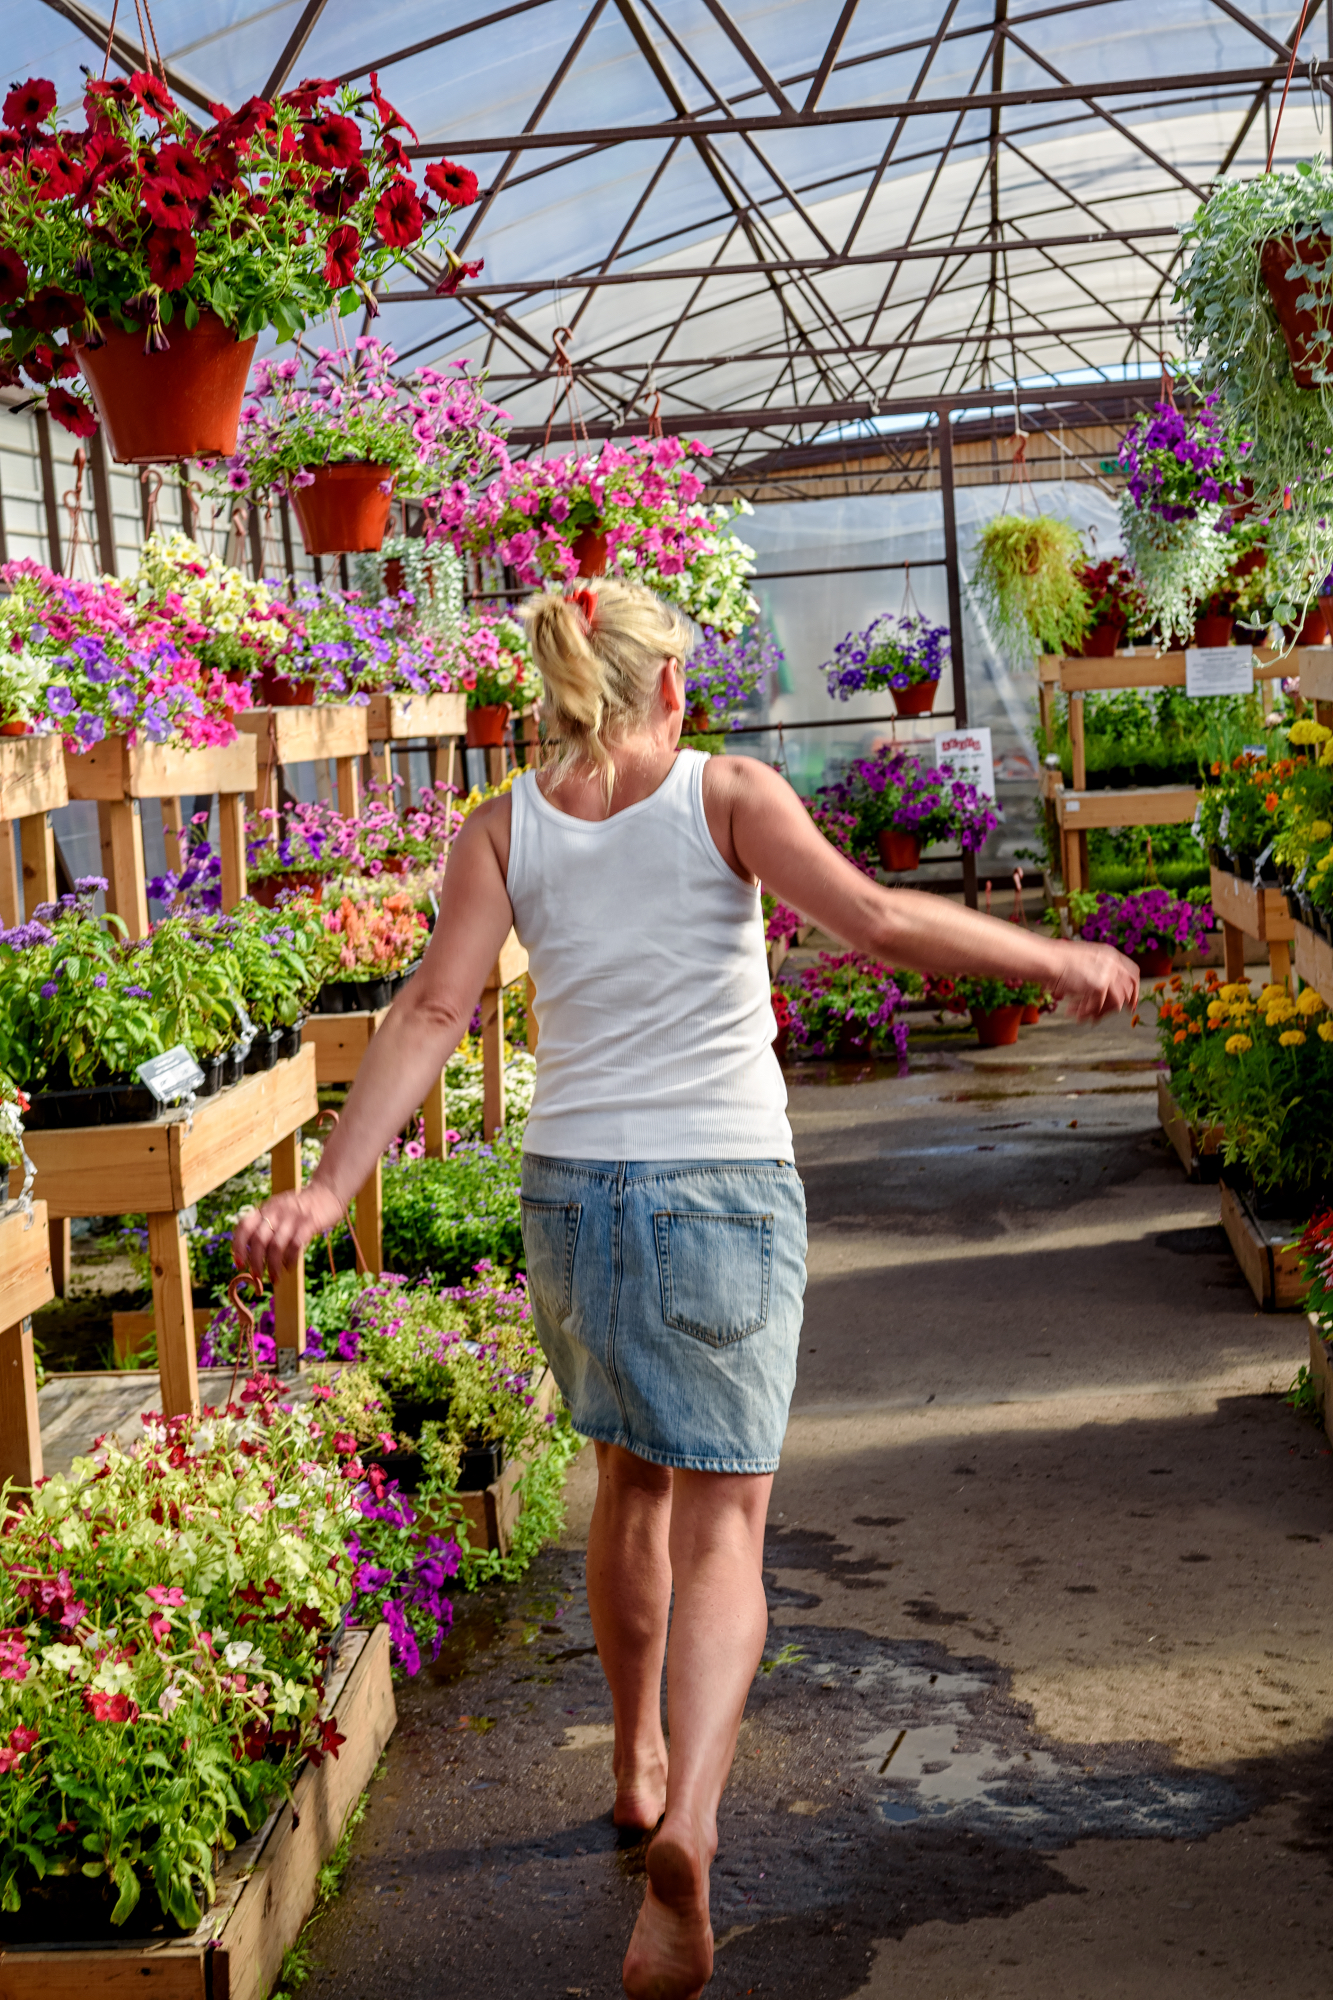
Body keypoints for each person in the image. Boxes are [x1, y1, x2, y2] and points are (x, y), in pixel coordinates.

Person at [234, 579, 1137, 1999]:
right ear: (667, 686)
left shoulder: (501, 827)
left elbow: (428, 1010)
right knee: (727, 1526)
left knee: (626, 1488)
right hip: (715, 1187)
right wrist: (1055, 954)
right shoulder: (725, 790)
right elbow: (880, 922)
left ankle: (635, 1759)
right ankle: (696, 1829)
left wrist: (327, 1188)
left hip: (572, 1197)